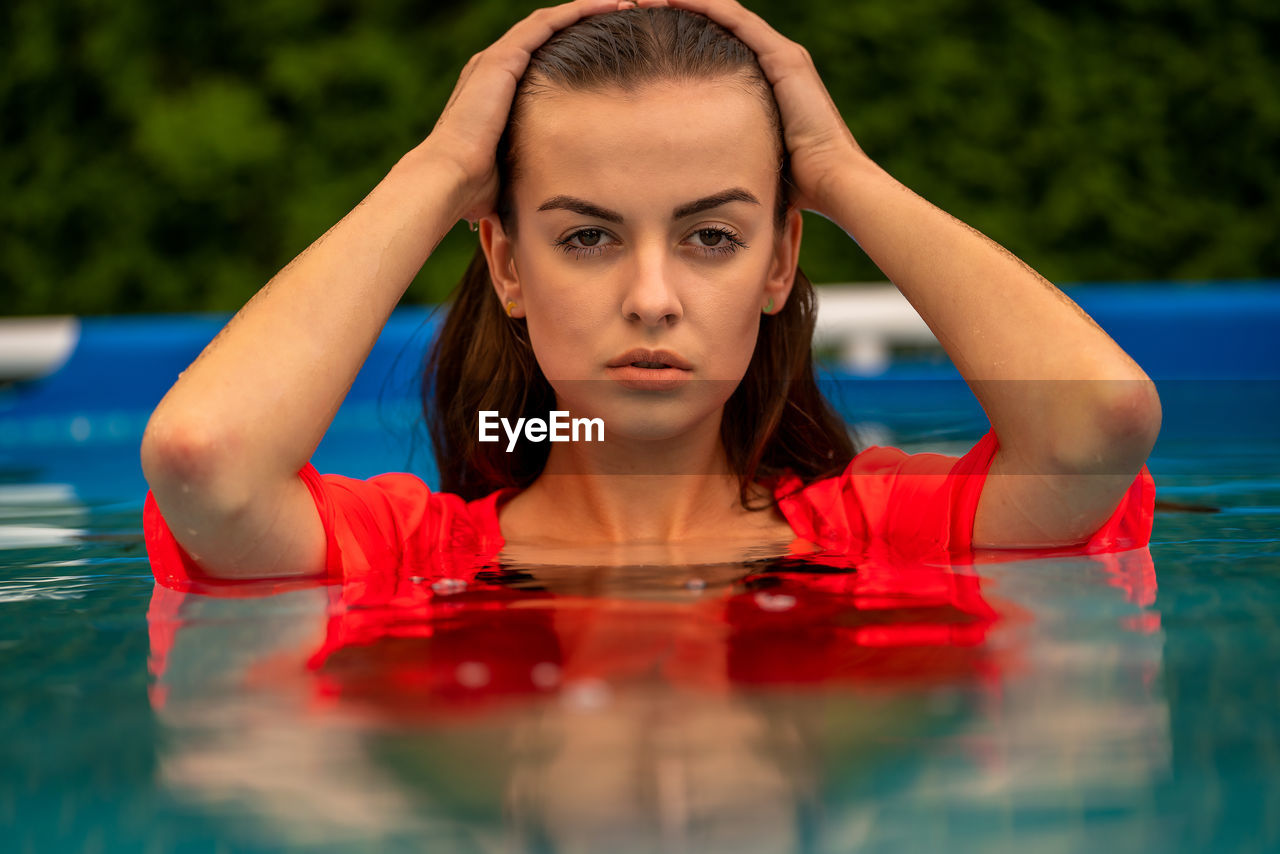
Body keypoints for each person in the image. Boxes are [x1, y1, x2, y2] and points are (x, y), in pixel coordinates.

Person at [140, 0, 1160, 586]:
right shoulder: (411, 560)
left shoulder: (876, 531)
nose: (651, 297)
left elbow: (1100, 422)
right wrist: (438, 170)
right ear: (505, 266)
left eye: (710, 235)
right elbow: (204, 460)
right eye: (586, 235)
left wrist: (841, 171)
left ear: (777, 263)